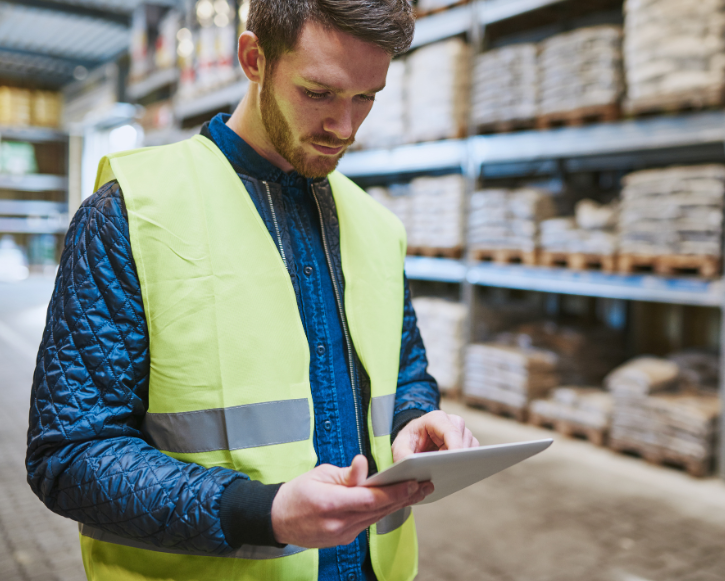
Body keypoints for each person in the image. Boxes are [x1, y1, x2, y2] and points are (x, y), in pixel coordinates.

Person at [26, 1, 479, 580]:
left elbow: (407, 370)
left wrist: (415, 419)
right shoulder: (130, 216)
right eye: (318, 93)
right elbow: (69, 457)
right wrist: (261, 512)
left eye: (366, 97)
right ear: (253, 59)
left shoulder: (375, 226)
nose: (345, 127)